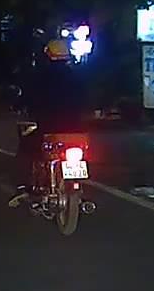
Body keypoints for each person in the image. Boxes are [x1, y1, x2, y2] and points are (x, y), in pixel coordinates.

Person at [8, 50, 91, 207]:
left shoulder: (40, 76)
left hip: (49, 126)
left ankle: (23, 187)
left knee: (26, 147)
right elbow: (89, 98)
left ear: (48, 56)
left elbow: (28, 97)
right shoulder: (78, 76)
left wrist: (18, 105)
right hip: (76, 128)